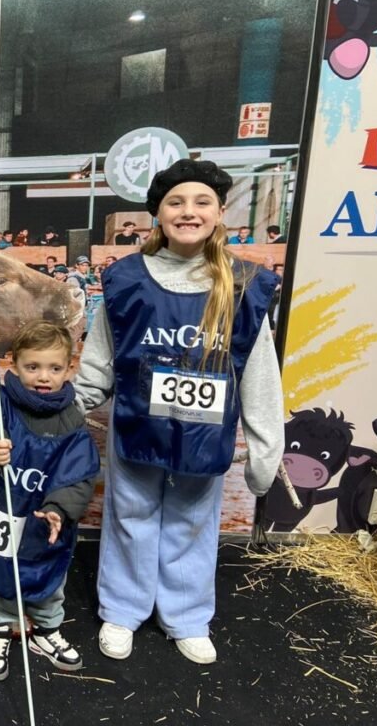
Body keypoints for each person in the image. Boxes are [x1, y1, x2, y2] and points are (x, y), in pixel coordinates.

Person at [71, 159, 282, 666]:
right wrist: (64, 410)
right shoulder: (125, 280)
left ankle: (186, 616)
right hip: (136, 427)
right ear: (157, 214)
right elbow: (102, 356)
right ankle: (123, 610)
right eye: (176, 202)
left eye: (201, 201)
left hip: (204, 434)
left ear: (219, 210)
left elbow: (256, 369)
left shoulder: (244, 284)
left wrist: (266, 446)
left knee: (193, 520)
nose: (189, 211)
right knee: (130, 516)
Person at [0, 320, 97, 682]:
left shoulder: (72, 418)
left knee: (49, 575)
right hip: (3, 510)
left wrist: (59, 510)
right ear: (13, 365)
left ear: (69, 368)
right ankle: (0, 626)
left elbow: (79, 473)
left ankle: (47, 630)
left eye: (54, 368)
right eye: (32, 367)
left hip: (45, 518)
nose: (43, 377)